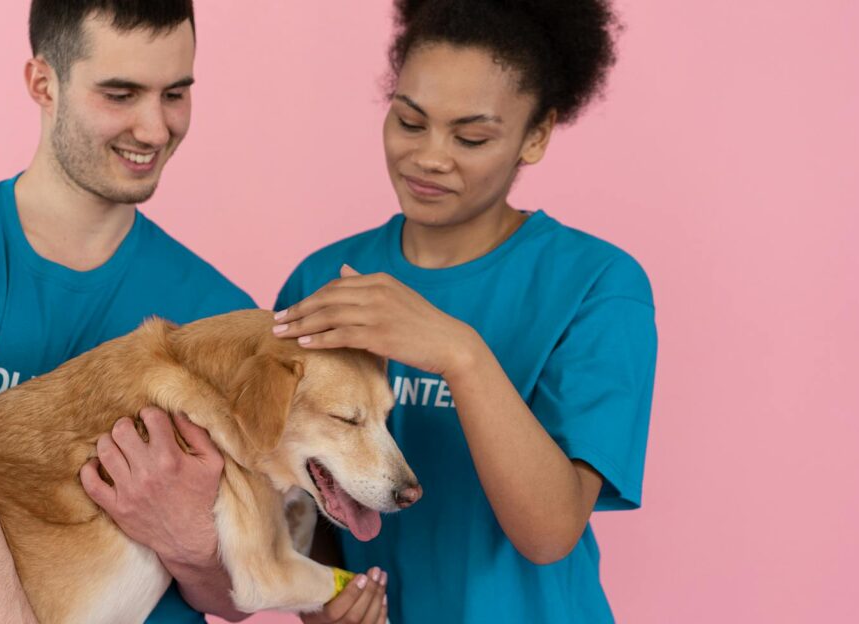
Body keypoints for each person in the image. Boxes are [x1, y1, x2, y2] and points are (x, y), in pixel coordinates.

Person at [0, 1, 259, 621]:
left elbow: (238, 593)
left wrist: (188, 543)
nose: (156, 129)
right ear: (43, 83)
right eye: (120, 93)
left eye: (175, 94)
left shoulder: (216, 315)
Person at [273, 0, 657, 622]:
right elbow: (293, 487)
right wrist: (322, 595)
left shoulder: (598, 285)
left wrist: (458, 353)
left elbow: (550, 531)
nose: (430, 156)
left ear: (535, 136)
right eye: (409, 121)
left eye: (471, 136)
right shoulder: (322, 280)